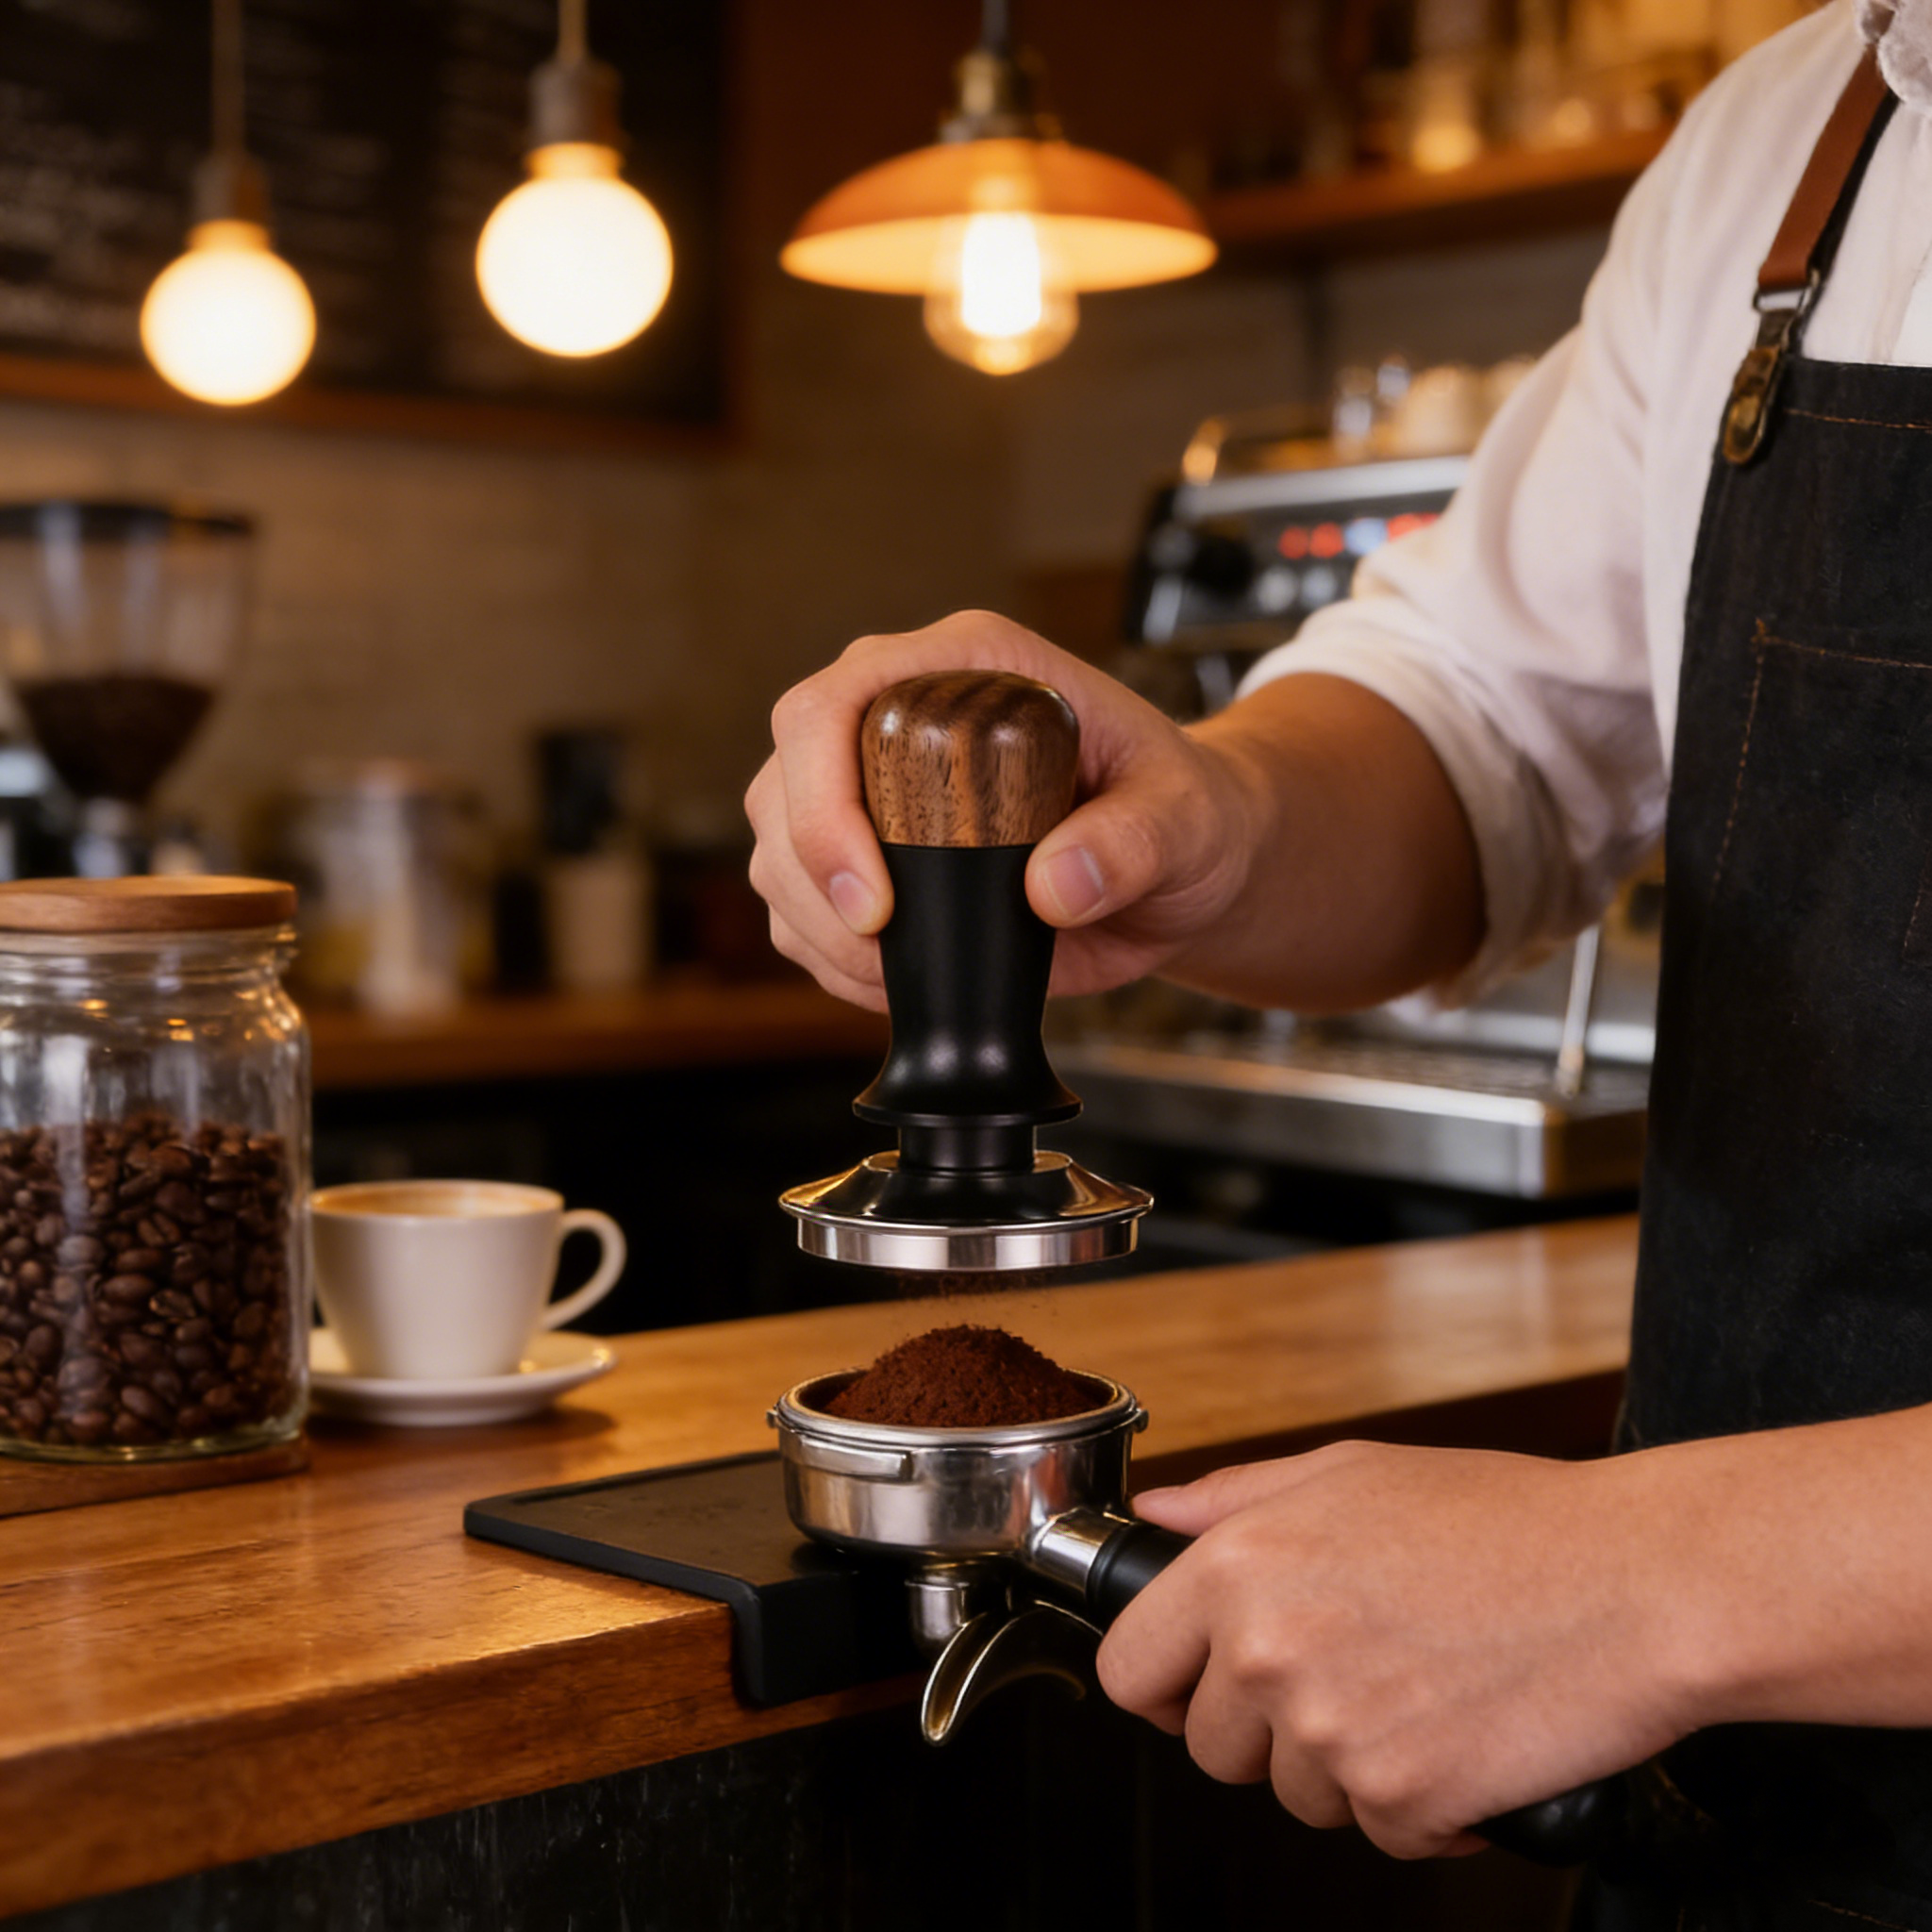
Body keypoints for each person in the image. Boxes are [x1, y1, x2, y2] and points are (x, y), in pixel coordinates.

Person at [746, 2, 1932, 1921]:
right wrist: (1204, 815)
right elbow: (1480, 725)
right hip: (1752, 1843)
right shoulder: (1802, 131)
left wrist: (1649, 1581)